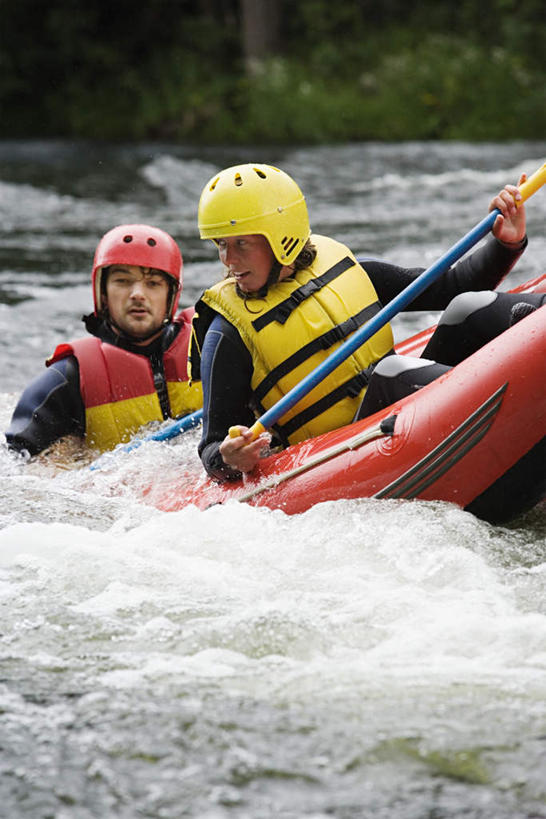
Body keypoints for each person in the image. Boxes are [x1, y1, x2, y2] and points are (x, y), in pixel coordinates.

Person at [190, 163, 542, 483]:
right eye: (221, 244)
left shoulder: (346, 270)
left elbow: (454, 286)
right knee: (390, 373)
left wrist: (505, 242)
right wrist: (229, 456)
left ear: (281, 235)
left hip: (410, 410)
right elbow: (212, 447)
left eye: (241, 244)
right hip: (346, 454)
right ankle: (524, 389)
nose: (228, 259)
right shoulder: (228, 333)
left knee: (468, 308)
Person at [6, 224, 202, 456]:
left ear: (171, 295)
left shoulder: (210, 344)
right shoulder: (67, 379)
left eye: (153, 284)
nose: (138, 294)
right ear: (103, 295)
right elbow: (17, 465)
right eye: (122, 281)